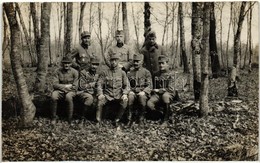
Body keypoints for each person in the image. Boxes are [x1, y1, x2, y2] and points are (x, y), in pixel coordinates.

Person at [96, 53, 130, 126]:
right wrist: (100, 93)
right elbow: (99, 84)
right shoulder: (105, 72)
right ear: (110, 61)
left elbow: (127, 85)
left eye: (115, 60)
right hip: (107, 95)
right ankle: (98, 121)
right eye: (112, 60)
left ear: (118, 61)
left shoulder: (122, 73)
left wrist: (124, 94)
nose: (113, 62)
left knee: (125, 101)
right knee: (100, 101)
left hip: (118, 94)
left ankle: (117, 120)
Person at [147, 55, 175, 125]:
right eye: (159, 63)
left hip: (169, 93)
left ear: (167, 63)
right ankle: (162, 115)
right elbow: (153, 86)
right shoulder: (156, 74)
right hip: (157, 94)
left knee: (165, 96)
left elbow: (171, 89)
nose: (161, 65)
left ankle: (165, 120)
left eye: (163, 63)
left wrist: (159, 90)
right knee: (149, 103)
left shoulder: (171, 74)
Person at [50, 56, 78, 123]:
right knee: (53, 96)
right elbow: (54, 84)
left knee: (68, 97)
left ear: (71, 64)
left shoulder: (75, 72)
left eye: (68, 63)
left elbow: (75, 86)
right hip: (60, 90)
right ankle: (53, 117)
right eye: (65, 63)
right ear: (62, 64)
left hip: (71, 91)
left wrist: (66, 88)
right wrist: (65, 86)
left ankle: (69, 118)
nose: (66, 65)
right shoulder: (57, 71)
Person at [127, 54, 152, 126]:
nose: (135, 63)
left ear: (142, 62)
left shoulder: (146, 72)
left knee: (142, 97)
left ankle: (141, 118)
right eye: (134, 61)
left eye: (137, 61)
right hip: (133, 92)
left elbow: (150, 85)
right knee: (130, 97)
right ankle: (129, 118)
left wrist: (144, 92)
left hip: (143, 92)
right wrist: (130, 91)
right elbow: (127, 84)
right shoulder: (130, 72)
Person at [77, 57, 100, 121]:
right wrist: (92, 84)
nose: (94, 66)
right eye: (93, 64)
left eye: (96, 65)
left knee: (98, 99)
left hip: (94, 92)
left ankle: (94, 118)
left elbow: (100, 84)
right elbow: (82, 86)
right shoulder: (83, 72)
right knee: (89, 98)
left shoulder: (98, 73)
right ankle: (82, 118)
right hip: (83, 92)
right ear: (89, 64)